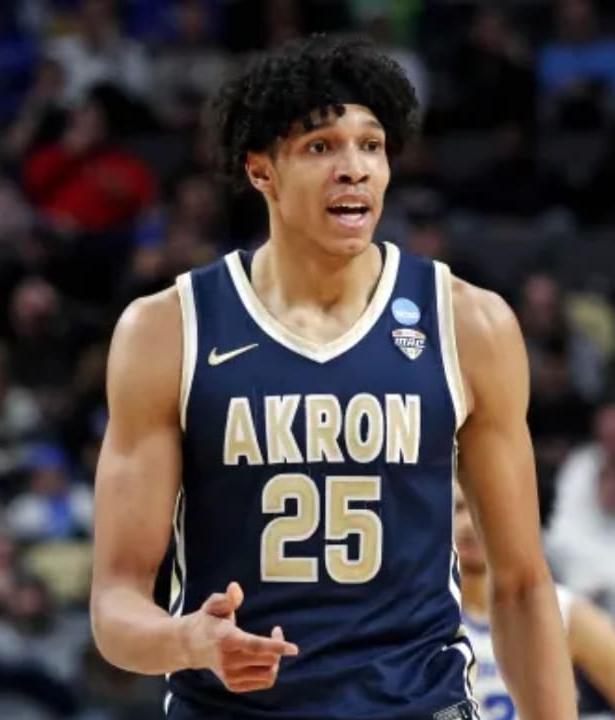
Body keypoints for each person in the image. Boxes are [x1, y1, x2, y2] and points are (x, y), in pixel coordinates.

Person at [89, 34, 576, 720]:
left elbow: (522, 584)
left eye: (371, 146)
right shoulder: (167, 330)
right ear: (261, 170)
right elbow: (114, 603)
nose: (354, 169)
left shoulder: (469, 324)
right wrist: (188, 641)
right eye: (321, 147)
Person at [451, 483, 615, 720]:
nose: (469, 522)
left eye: (485, 508)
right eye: (457, 508)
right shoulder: (428, 616)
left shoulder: (565, 612)